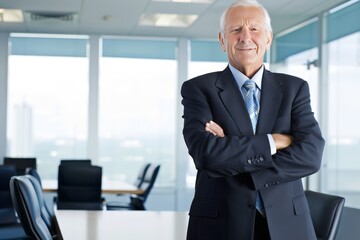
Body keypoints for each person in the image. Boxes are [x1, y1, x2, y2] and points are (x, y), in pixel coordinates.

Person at [180, 0, 325, 239]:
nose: (245, 37)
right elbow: (206, 155)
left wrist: (233, 154)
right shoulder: (199, 89)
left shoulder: (294, 88)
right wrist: (274, 142)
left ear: (268, 39)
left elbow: (311, 155)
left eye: (254, 29)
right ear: (222, 40)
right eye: (235, 29)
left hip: (287, 225)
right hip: (221, 226)